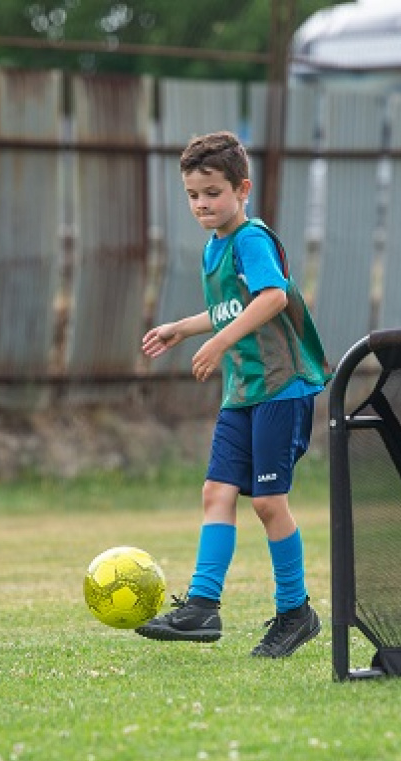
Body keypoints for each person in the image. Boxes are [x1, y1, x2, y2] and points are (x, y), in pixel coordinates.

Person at [135, 131, 331, 658]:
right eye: (194, 195)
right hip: (242, 394)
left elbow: (271, 297)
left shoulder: (251, 240)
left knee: (268, 503)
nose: (202, 204)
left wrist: (220, 342)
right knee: (215, 495)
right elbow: (231, 308)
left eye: (213, 192)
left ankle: (296, 612)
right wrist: (185, 327)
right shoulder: (215, 246)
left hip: (279, 389)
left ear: (242, 189)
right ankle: (202, 607)